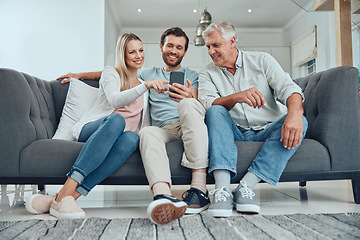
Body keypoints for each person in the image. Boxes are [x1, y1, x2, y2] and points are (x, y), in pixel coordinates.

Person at [56, 27, 210, 225]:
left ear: (185, 52)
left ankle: (199, 190)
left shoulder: (192, 75)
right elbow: (115, 71)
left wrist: (190, 95)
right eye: (170, 45)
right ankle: (163, 196)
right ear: (161, 47)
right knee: (144, 133)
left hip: (189, 121)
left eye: (179, 47)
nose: (174, 50)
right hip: (164, 128)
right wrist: (79, 74)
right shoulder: (146, 74)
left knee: (188, 104)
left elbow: (202, 100)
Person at [25, 33, 168, 219]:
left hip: (121, 137)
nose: (139, 55)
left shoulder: (142, 83)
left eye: (141, 50)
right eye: (132, 52)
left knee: (133, 138)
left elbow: (144, 121)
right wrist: (145, 86)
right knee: (118, 120)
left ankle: (62, 198)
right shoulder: (113, 73)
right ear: (122, 55)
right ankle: (68, 189)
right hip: (95, 130)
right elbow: (115, 99)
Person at [198, 21, 308, 218]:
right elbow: (209, 103)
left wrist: (294, 114)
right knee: (215, 111)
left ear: (232, 41)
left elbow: (289, 89)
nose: (211, 51)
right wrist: (238, 96)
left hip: (267, 129)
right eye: (208, 46)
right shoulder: (207, 73)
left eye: (216, 45)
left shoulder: (263, 61)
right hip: (234, 132)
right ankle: (222, 191)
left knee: (301, 120)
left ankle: (245, 187)